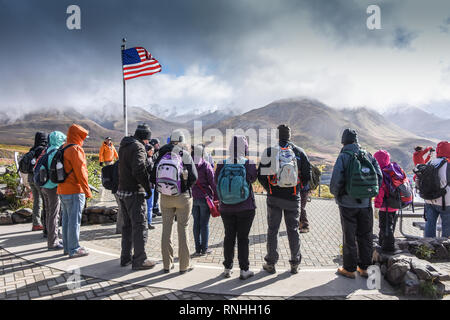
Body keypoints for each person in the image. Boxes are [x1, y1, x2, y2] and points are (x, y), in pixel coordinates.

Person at [258, 124, 311, 274]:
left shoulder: (270, 151)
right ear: (289, 136)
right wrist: (298, 189)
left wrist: (270, 189)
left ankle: (271, 263)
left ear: (278, 136)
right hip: (293, 198)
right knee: (293, 230)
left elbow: (261, 175)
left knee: (272, 230)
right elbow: (307, 177)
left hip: (274, 197)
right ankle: (294, 263)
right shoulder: (299, 152)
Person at [330, 128, 382, 279]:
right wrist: (369, 194)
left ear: (343, 141)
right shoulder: (368, 155)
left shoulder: (344, 156)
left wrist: (338, 195)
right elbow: (379, 176)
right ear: (356, 140)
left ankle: (349, 269)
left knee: (349, 236)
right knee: (366, 235)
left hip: (347, 204)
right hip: (366, 204)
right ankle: (365, 268)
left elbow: (336, 181)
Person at [151, 129, 198, 274]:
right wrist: (183, 187)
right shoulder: (184, 154)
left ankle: (167, 265)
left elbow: (153, 177)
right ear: (182, 141)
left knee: (166, 230)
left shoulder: (160, 154)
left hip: (165, 197)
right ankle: (184, 266)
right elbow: (194, 177)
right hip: (182, 197)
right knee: (183, 229)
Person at [215, 135, 257, 280]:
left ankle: (227, 268)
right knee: (243, 238)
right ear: (244, 148)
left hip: (226, 207)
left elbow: (216, 182)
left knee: (229, 237)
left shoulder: (222, 163)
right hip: (246, 207)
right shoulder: (248, 163)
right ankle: (244, 270)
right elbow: (252, 179)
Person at [117, 124, 156, 270]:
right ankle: (140, 260)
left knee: (127, 227)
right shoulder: (138, 147)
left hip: (122, 190)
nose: (148, 143)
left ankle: (125, 257)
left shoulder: (124, 144)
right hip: (134, 192)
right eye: (147, 140)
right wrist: (148, 188)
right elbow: (139, 169)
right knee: (140, 226)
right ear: (145, 138)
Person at [57, 124, 92, 258]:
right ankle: (74, 248)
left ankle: (67, 247)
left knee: (66, 220)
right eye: (83, 136)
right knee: (74, 221)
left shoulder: (63, 147)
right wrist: (87, 191)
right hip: (75, 190)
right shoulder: (76, 149)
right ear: (78, 136)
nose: (83, 139)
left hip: (62, 190)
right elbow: (81, 173)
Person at [373, 150, 407, 252]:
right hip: (395, 204)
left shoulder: (381, 172)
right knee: (389, 225)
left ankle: (388, 248)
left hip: (385, 206)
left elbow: (380, 192)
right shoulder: (393, 170)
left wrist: (376, 207)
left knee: (386, 227)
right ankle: (381, 243)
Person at [41, 131, 66, 250]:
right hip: (53, 187)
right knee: (54, 215)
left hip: (44, 185)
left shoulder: (46, 150)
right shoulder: (57, 152)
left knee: (48, 213)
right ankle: (53, 242)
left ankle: (51, 237)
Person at [191, 144, 218, 256]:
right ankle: (204, 249)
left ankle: (197, 248)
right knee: (204, 224)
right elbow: (213, 183)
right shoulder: (206, 165)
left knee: (196, 223)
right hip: (205, 198)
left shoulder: (188, 165)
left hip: (192, 198)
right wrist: (217, 198)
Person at [424, 141, 450, 238]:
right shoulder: (448, 164)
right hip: (446, 201)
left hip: (429, 199)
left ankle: (428, 248)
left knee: (430, 224)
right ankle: (445, 250)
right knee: (447, 227)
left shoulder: (431, 162)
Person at [28, 132, 48, 231]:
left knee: (37, 200)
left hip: (30, 178)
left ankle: (36, 223)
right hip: (38, 178)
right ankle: (45, 224)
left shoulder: (32, 149)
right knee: (45, 200)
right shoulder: (42, 150)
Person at [149, 138, 161, 217]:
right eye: (157, 144)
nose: (159, 145)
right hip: (151, 176)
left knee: (157, 193)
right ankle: (150, 211)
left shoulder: (159, 152)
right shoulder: (149, 152)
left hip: (157, 175)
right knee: (151, 194)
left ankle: (155, 209)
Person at [145, 143, 155, 230]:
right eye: (151, 150)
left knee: (149, 205)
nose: (153, 152)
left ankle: (149, 222)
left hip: (151, 185)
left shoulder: (150, 159)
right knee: (148, 205)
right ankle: (147, 222)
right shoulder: (146, 160)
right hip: (148, 185)